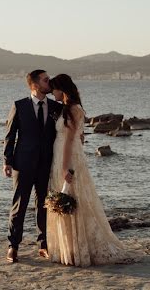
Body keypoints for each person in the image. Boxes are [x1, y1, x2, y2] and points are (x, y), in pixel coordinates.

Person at [46, 74, 134, 266]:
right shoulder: (67, 109)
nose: (52, 93)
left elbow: (70, 139)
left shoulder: (74, 109)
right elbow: (78, 137)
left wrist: (64, 168)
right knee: (65, 199)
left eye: (54, 89)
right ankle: (67, 248)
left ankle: (77, 248)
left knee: (73, 199)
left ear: (62, 89)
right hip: (61, 155)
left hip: (66, 158)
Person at [3, 69, 63, 263]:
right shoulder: (19, 106)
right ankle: (13, 246)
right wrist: (7, 161)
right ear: (35, 84)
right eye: (46, 80)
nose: (50, 83)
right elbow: (10, 135)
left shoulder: (55, 107)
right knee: (19, 206)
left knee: (44, 205)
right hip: (23, 164)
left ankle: (44, 244)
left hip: (47, 164)